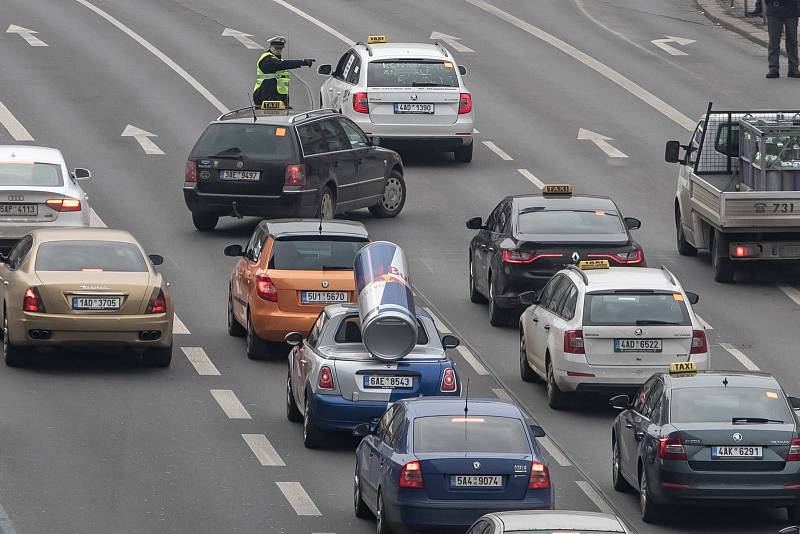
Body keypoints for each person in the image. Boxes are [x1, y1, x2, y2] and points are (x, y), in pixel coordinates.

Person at [253, 36, 315, 107]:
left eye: (281, 48)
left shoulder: (276, 59)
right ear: (270, 47)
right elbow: (282, 64)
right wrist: (303, 62)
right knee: (267, 117)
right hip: (264, 94)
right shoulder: (267, 59)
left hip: (277, 96)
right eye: (276, 48)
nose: (279, 50)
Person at [764, 0, 800, 78]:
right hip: (774, 8)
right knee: (774, 40)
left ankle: (793, 68)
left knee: (792, 40)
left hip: (792, 9)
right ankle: (773, 68)